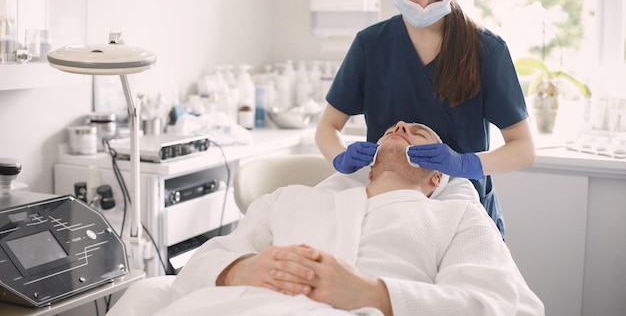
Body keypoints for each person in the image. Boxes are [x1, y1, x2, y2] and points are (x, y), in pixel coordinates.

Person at [107, 121, 544, 316]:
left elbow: (498, 304)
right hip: (245, 305)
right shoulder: (292, 200)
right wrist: (244, 268)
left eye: (420, 133)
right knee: (146, 292)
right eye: (392, 129)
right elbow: (206, 261)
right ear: (368, 167)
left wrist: (372, 293)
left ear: (437, 175)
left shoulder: (454, 217)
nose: (400, 126)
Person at [315, 0, 535, 236]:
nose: (422, 6)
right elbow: (328, 127)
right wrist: (339, 157)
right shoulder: (371, 45)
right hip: (387, 205)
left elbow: (523, 148)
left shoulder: (486, 50)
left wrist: (464, 164)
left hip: (462, 210)